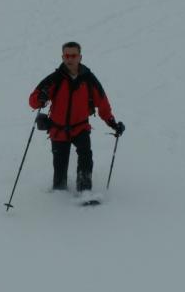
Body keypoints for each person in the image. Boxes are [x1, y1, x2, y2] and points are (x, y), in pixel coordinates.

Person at [29, 42, 125, 192]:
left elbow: (103, 103)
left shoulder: (89, 79)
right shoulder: (55, 78)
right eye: (66, 56)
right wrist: (40, 98)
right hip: (58, 130)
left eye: (73, 55)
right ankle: (59, 194)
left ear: (80, 57)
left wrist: (112, 123)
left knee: (86, 157)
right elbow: (33, 100)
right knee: (60, 165)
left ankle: (84, 191)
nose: (70, 59)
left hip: (80, 127)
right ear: (62, 57)